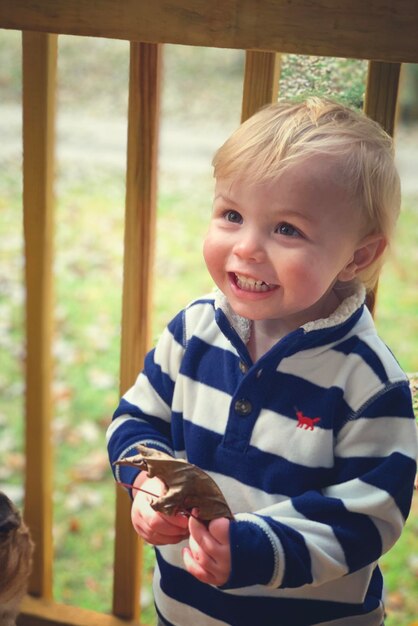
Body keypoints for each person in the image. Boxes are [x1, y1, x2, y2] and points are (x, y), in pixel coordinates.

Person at [107, 98, 417, 626]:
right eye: (232, 215)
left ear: (357, 257)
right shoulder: (194, 331)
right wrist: (147, 481)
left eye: (287, 229)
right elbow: (137, 418)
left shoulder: (365, 381)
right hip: (184, 611)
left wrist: (256, 548)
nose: (246, 247)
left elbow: (370, 515)